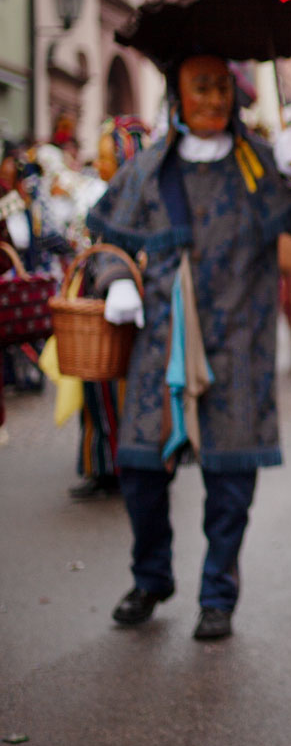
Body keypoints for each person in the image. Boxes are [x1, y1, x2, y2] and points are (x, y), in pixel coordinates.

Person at [88, 54, 291, 640]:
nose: (216, 99)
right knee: (141, 471)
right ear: (178, 92)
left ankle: (217, 593)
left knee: (230, 482)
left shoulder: (260, 165)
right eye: (203, 87)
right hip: (161, 347)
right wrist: (116, 282)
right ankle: (151, 577)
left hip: (240, 345)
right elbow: (103, 242)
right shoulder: (148, 170)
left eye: (223, 87)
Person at [71, 117, 148, 497]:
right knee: (96, 395)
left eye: (106, 158)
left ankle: (115, 470)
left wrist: (113, 280)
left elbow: (121, 252)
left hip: (117, 315)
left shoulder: (132, 202)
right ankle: (102, 467)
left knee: (113, 394)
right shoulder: (110, 196)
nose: (99, 165)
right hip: (97, 314)